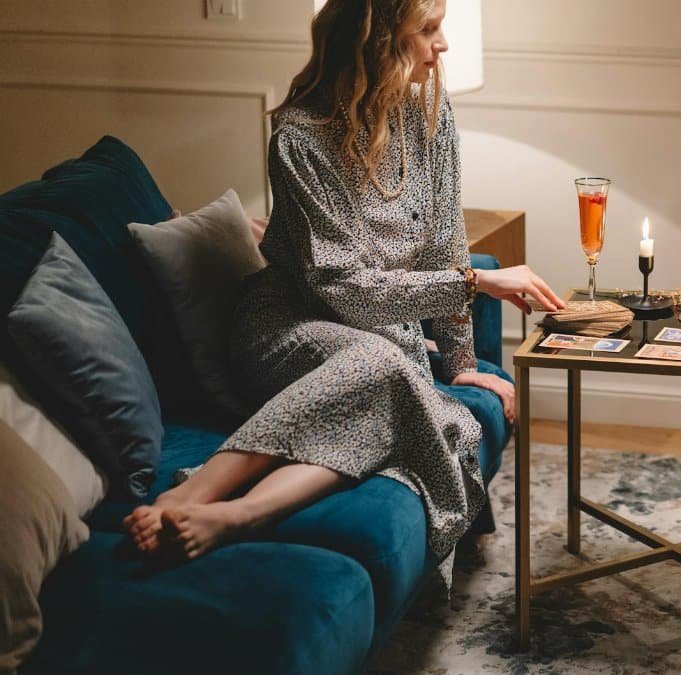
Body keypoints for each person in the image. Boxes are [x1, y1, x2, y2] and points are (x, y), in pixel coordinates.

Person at [123, 0, 565, 564]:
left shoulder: (432, 117)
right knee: (381, 365)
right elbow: (343, 289)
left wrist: (461, 366)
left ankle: (236, 513)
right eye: (426, 30)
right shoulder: (299, 136)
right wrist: (477, 283)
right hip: (287, 327)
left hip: (378, 340)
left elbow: (445, 247)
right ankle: (191, 492)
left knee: (385, 372)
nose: (443, 44)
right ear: (377, 42)